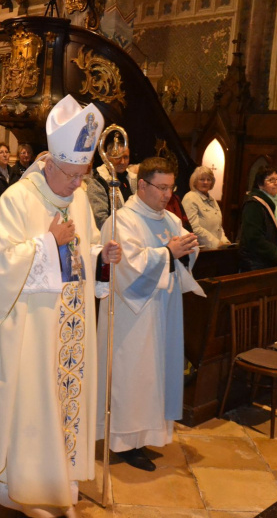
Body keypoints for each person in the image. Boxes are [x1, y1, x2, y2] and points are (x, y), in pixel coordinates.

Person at [0, 95, 121, 517]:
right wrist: (46, 244)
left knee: (65, 405)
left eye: (83, 176)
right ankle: (26, 488)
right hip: (30, 327)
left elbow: (83, 251)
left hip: (71, 323)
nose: (78, 185)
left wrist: (99, 257)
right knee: (36, 404)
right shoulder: (18, 200)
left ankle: (62, 485)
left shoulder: (75, 198)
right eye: (72, 176)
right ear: (50, 164)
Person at [96, 156, 204, 472]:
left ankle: (145, 436)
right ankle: (125, 443)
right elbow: (126, 270)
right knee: (134, 378)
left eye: (171, 187)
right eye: (161, 187)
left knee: (155, 375)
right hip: (134, 320)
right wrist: (167, 252)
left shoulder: (170, 220)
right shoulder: (121, 220)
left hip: (164, 314)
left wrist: (188, 249)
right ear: (142, 185)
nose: (167, 194)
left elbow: (183, 254)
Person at [238, 166, 277, 271]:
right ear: (260, 185)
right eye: (271, 180)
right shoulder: (254, 204)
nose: (276, 183)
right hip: (257, 263)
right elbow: (253, 238)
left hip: (275, 260)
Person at [182, 165, 231, 249]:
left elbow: (218, 227)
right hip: (199, 250)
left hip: (215, 250)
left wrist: (225, 242)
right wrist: (216, 243)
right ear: (195, 181)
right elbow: (194, 228)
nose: (205, 182)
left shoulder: (212, 199)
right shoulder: (190, 198)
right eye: (202, 179)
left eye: (209, 179)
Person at [86, 146, 133, 229]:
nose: (122, 162)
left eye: (125, 157)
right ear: (107, 157)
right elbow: (100, 220)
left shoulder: (132, 179)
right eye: (118, 157)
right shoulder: (97, 181)